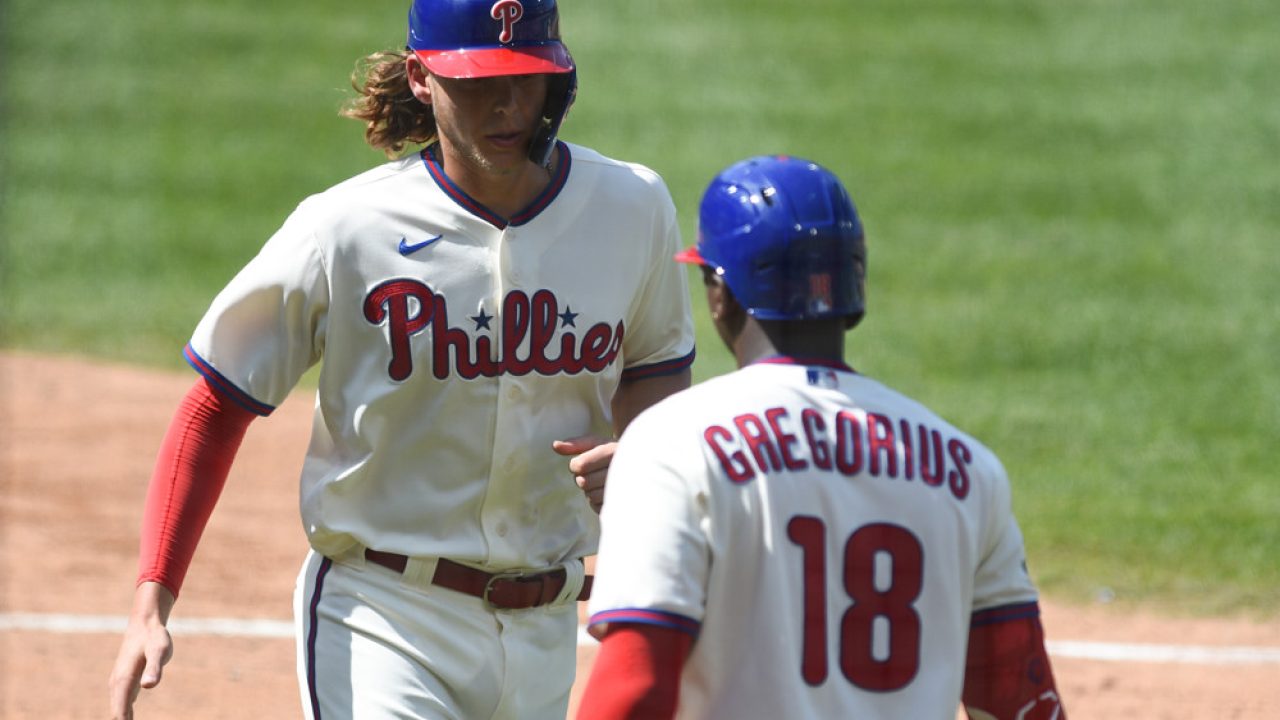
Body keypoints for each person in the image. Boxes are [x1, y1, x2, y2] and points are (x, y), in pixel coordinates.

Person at [106, 0, 695, 717]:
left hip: (547, 628)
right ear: (422, 78)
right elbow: (216, 404)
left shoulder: (632, 206)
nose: (507, 105)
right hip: (383, 616)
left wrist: (636, 456)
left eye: (526, 78)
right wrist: (151, 597)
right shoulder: (347, 229)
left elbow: (655, 368)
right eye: (477, 82)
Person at [577, 155, 1065, 719]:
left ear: (720, 291)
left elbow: (635, 688)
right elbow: (1018, 696)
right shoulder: (969, 471)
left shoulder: (672, 445)